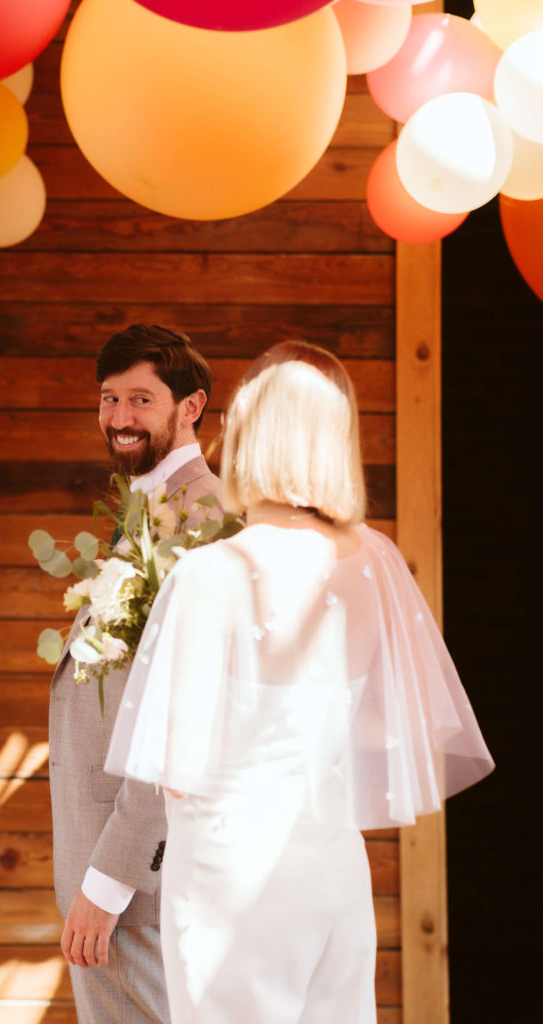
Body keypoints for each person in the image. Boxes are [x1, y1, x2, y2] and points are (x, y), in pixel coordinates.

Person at [104, 340, 495, 1024]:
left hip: (230, 877)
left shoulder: (209, 575)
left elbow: (177, 767)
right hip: (330, 864)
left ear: (251, 436)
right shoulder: (373, 560)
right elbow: (380, 728)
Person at [49, 324, 223, 1024]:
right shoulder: (144, 509)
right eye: (108, 398)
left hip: (138, 882)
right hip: (109, 870)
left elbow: (183, 719)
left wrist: (110, 877)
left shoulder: (199, 521)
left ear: (191, 406)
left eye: (141, 399)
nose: (119, 418)